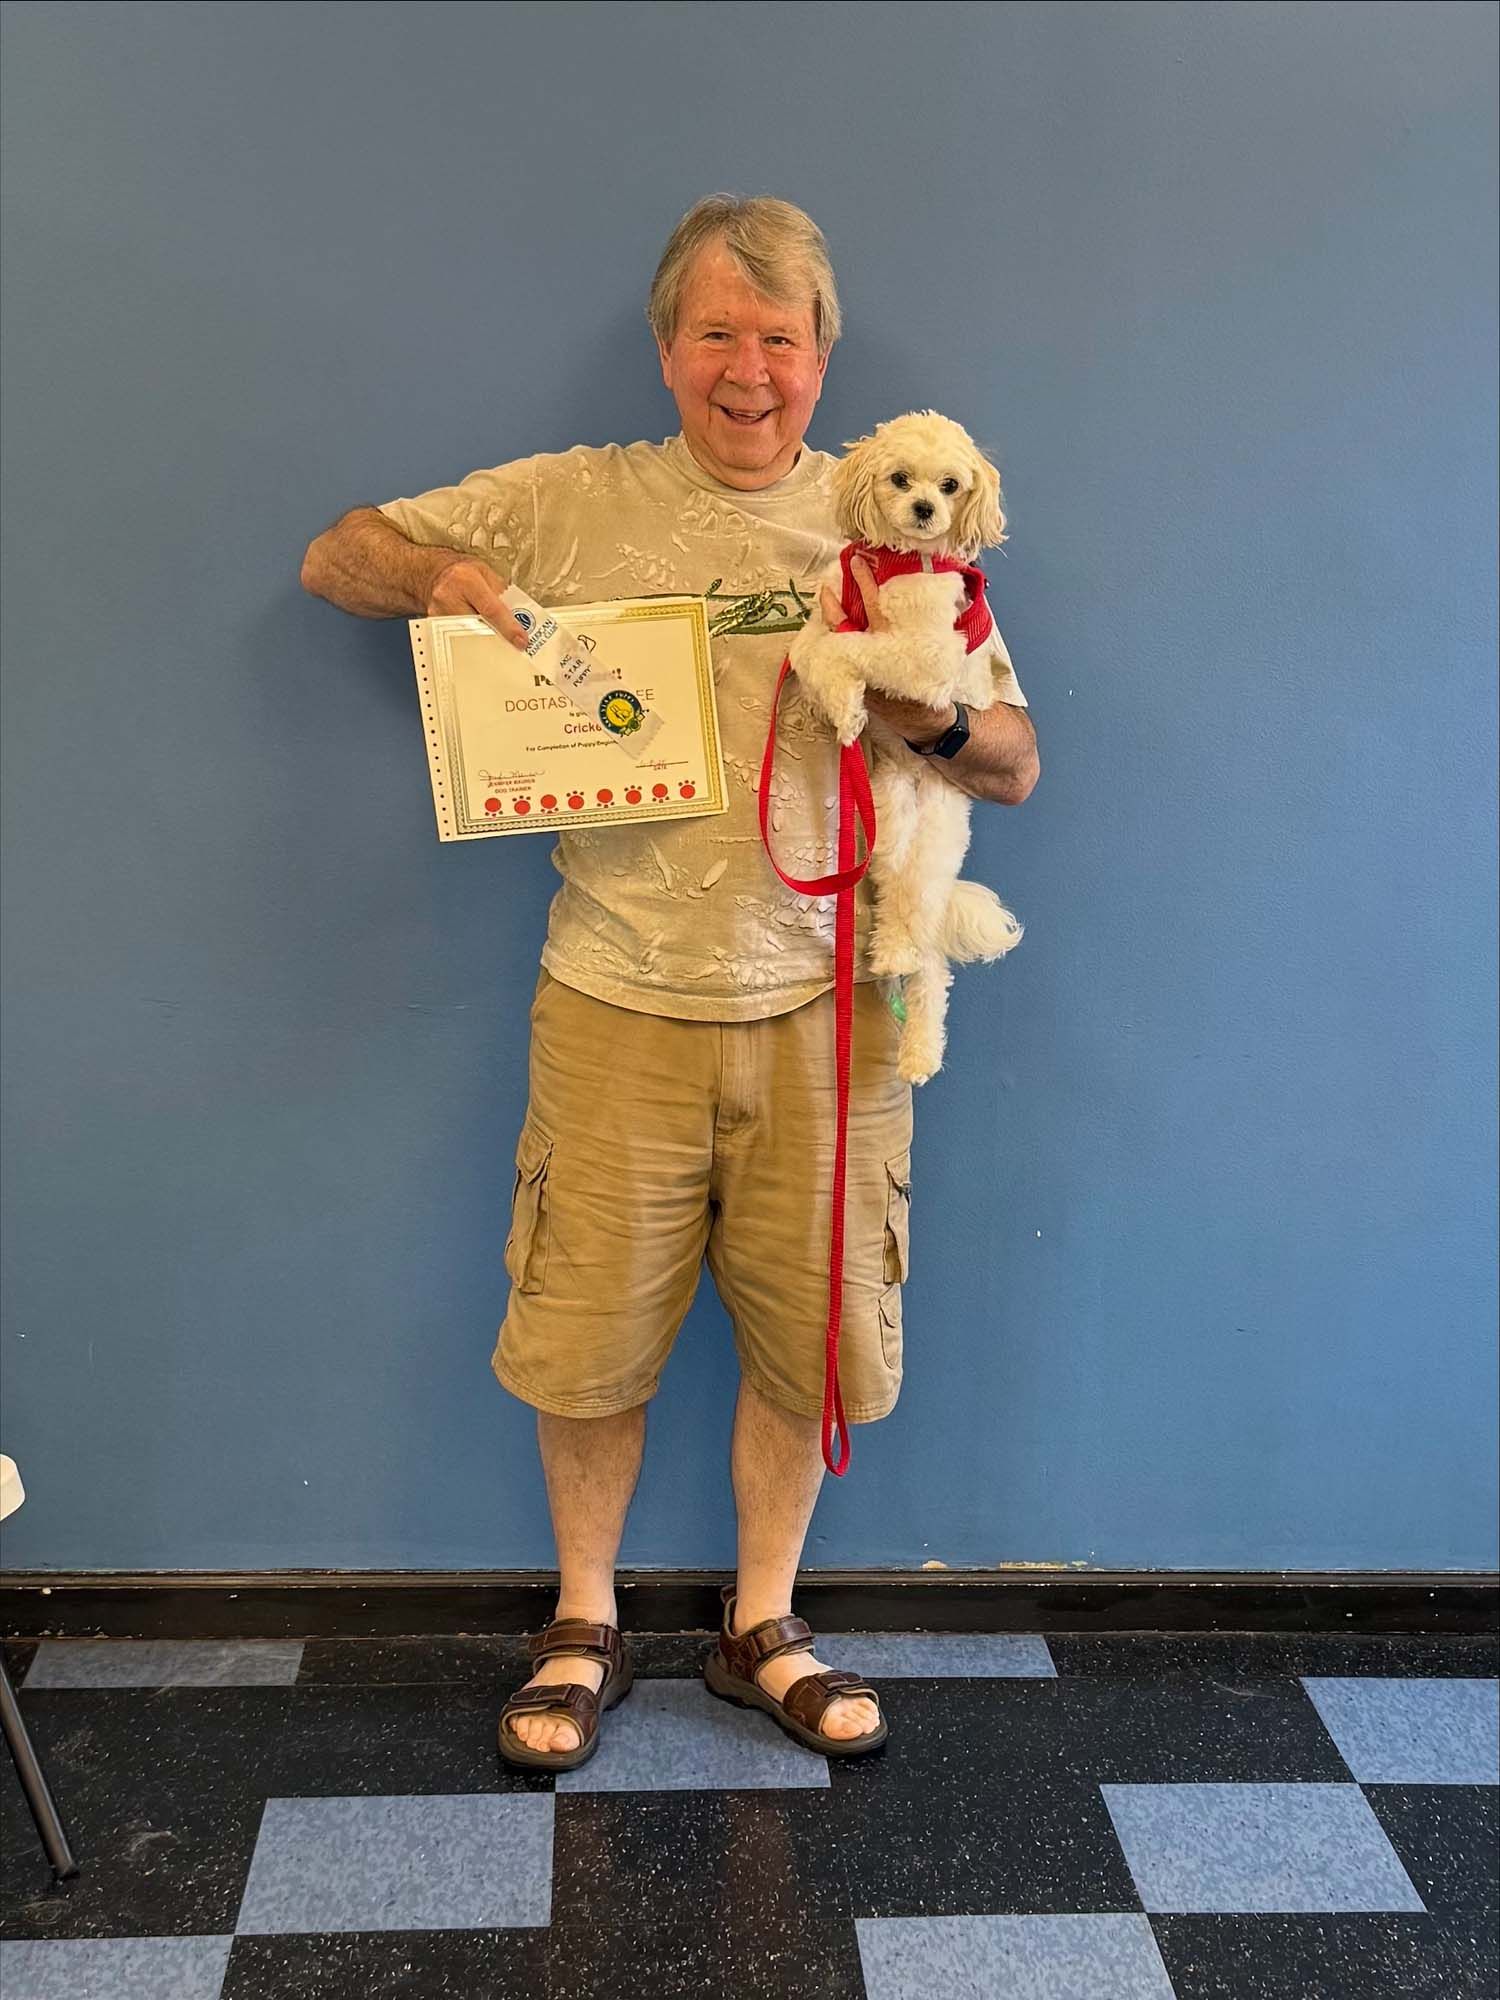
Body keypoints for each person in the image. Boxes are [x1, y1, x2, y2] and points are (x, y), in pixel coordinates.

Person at [300, 194, 1039, 1770]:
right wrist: (439, 578)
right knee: (585, 1338)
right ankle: (584, 1621)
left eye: (779, 338)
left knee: (814, 1340)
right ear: (664, 347)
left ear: (824, 355)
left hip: (837, 1012)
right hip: (615, 998)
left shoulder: (892, 517)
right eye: (716, 334)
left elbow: (1019, 762)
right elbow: (336, 552)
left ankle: (763, 1621)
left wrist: (918, 714)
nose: (747, 371)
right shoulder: (573, 498)